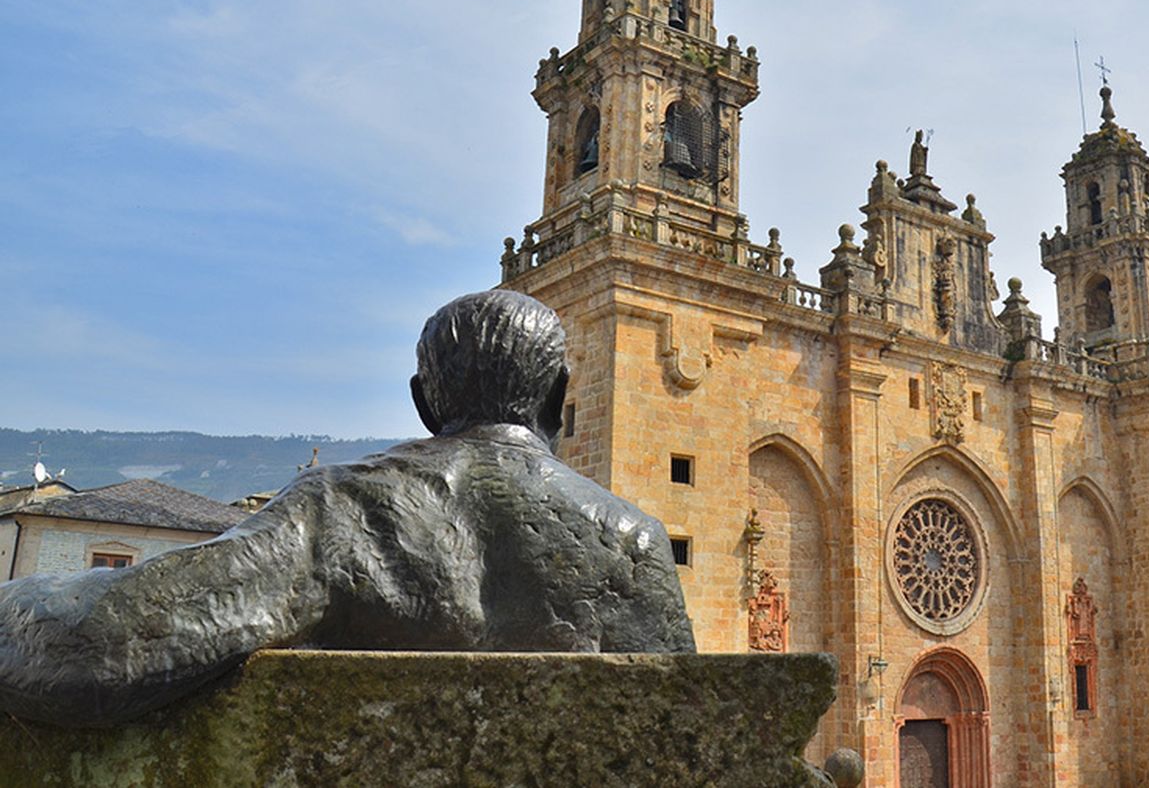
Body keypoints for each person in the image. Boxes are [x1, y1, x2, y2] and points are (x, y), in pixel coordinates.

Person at [0, 290, 694, 727]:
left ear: (424, 401)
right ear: (557, 397)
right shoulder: (635, 540)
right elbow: (682, 722)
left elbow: (100, 645)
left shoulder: (341, 507)